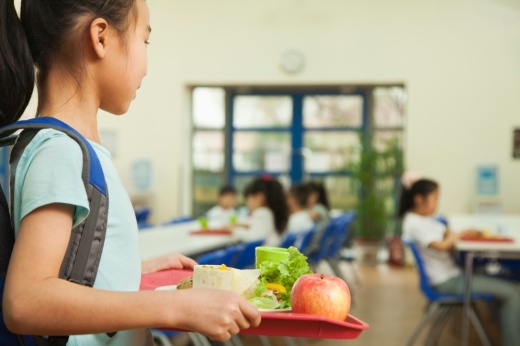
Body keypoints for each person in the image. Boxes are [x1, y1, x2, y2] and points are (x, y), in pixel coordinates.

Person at [0, 1, 260, 344]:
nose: (146, 65)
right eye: (144, 40)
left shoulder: (69, 148)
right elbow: (27, 302)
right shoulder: (59, 151)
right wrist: (173, 307)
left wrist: (130, 273)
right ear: (101, 37)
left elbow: (67, 276)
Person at [399, 178, 520, 346]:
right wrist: (457, 236)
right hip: (447, 282)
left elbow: (448, 234)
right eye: (435, 198)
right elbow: (441, 245)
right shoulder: (413, 223)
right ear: (419, 199)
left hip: (452, 275)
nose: (437, 204)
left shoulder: (424, 219)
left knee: (502, 285)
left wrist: (458, 234)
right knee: (514, 293)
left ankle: (509, 328)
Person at [237, 176, 288, 246]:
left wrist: (233, 230)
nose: (247, 203)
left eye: (247, 198)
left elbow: (253, 238)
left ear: (259, 198)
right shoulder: (271, 212)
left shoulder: (263, 212)